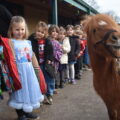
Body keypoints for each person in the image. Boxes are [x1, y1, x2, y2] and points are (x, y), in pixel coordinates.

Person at [7, 16, 44, 120]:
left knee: (30, 90)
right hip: (18, 72)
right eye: (17, 29)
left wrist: (37, 69)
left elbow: (32, 55)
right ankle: (21, 114)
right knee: (20, 92)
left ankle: (28, 112)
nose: (20, 32)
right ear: (12, 30)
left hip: (29, 71)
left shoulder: (28, 42)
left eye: (22, 29)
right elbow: (10, 58)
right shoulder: (11, 42)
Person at [28, 21, 54, 105]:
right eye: (38, 31)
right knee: (37, 80)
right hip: (36, 64)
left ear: (45, 33)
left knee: (48, 79)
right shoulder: (31, 39)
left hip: (45, 64)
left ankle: (49, 94)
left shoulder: (47, 41)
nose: (40, 33)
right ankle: (40, 96)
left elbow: (50, 52)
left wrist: (49, 59)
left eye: (42, 32)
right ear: (36, 30)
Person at [48, 25, 62, 92]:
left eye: (56, 32)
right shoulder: (47, 41)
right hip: (48, 61)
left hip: (55, 62)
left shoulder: (57, 43)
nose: (55, 33)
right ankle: (48, 90)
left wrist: (54, 54)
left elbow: (60, 52)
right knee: (47, 75)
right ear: (50, 31)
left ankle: (52, 88)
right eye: (53, 31)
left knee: (53, 75)